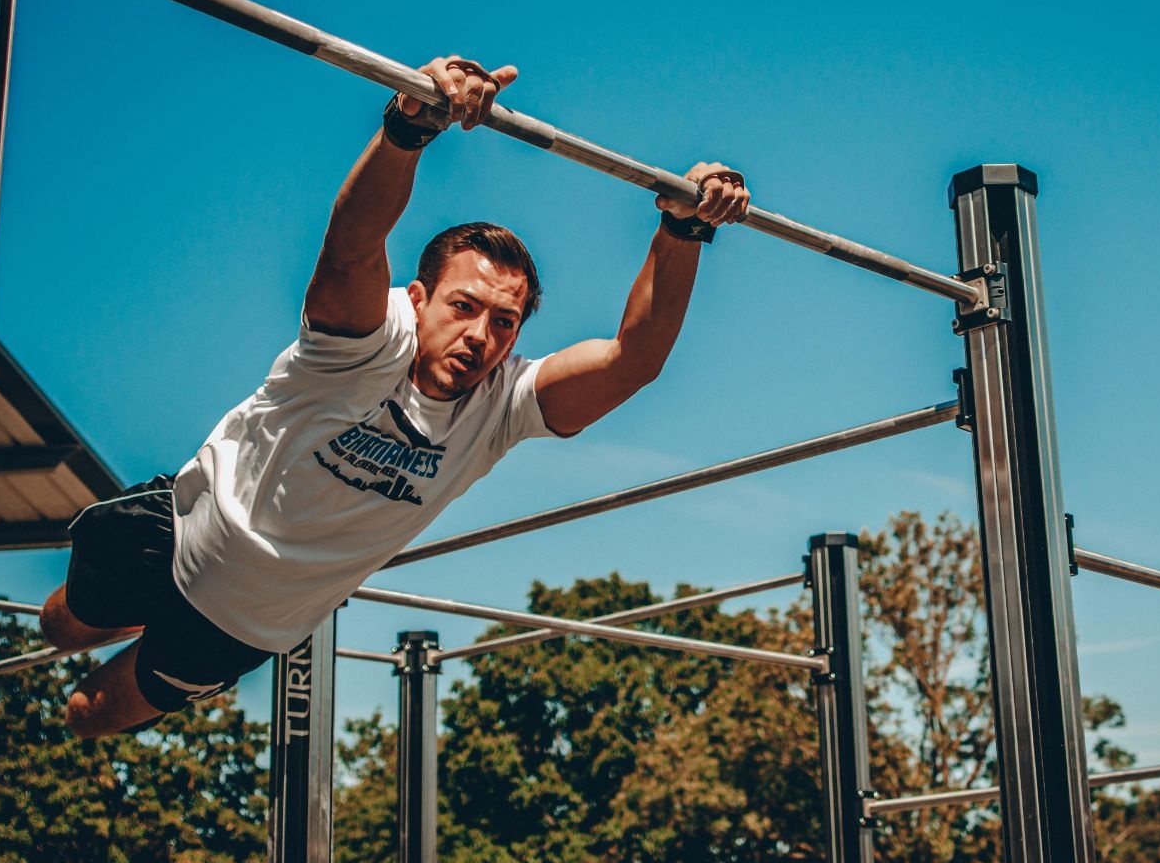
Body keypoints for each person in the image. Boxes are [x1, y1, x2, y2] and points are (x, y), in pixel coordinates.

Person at [38, 55, 751, 739]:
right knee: (59, 627)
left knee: (87, 715)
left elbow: (634, 360)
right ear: (417, 298)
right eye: (463, 307)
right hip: (178, 529)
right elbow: (351, 245)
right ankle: (113, 617)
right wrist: (409, 125)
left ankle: (114, 655)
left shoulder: (504, 402)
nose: (480, 335)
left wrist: (683, 228)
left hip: (248, 621)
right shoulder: (366, 341)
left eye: (503, 322)